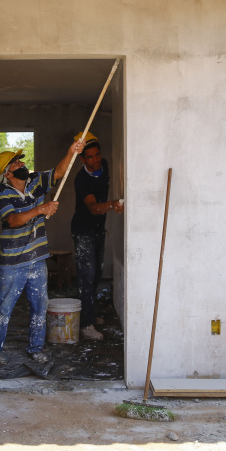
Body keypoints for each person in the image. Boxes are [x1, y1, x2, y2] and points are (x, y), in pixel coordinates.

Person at [0, 139, 85, 362]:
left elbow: (58, 173)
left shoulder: (35, 181)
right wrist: (40, 209)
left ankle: (35, 349)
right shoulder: (2, 193)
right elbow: (13, 220)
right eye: (15, 163)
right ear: (7, 173)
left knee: (40, 306)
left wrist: (71, 151)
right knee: (3, 310)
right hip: (13, 263)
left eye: (19, 160)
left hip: (37, 258)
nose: (21, 164)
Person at [70, 132, 123, 341]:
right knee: (86, 277)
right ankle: (86, 325)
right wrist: (112, 205)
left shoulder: (105, 165)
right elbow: (93, 208)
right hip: (83, 231)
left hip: (99, 230)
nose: (95, 160)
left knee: (97, 275)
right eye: (90, 157)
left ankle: (89, 313)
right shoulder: (81, 179)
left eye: (97, 155)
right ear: (82, 159)